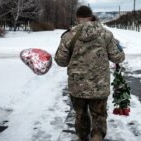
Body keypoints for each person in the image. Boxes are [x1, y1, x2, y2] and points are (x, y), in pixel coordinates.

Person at [55, 5, 125, 141]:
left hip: (77, 86)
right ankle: (97, 136)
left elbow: (61, 61)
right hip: (100, 85)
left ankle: (82, 136)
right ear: (91, 17)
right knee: (99, 114)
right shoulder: (106, 34)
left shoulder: (69, 36)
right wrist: (118, 48)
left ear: (77, 18)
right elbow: (118, 58)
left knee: (80, 113)